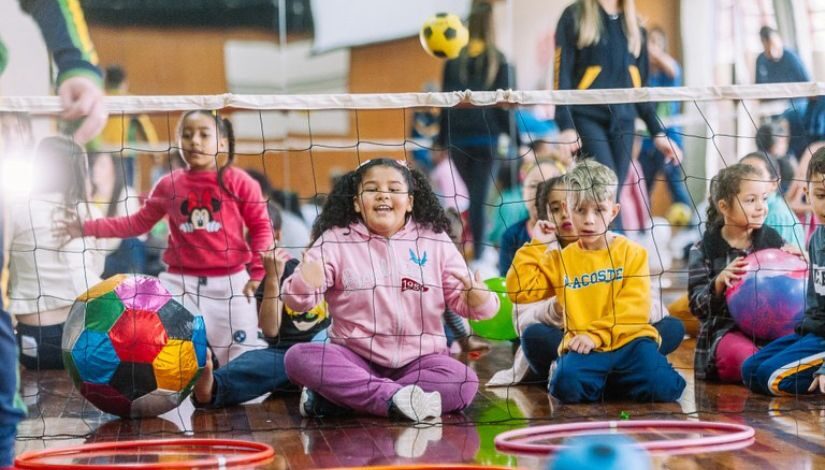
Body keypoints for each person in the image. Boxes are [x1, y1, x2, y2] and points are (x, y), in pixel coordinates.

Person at [281, 158, 499, 421]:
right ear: (356, 202)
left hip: (421, 361)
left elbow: (477, 307)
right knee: (298, 358)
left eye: (394, 189)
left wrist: (478, 298)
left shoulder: (434, 238)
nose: (383, 194)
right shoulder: (335, 238)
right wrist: (306, 282)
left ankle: (341, 399)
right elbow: (296, 302)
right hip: (354, 358)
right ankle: (394, 399)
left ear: (410, 202)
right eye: (372, 189)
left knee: (464, 382)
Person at [57, 110, 273, 367]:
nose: (195, 141)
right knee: (170, 354)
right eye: (187, 134)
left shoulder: (239, 182)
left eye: (204, 135)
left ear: (223, 142)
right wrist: (87, 227)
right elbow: (137, 222)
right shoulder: (169, 185)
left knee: (239, 359)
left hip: (231, 283)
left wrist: (258, 273)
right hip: (181, 283)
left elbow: (261, 227)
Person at [1, 2, 108, 468]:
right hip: (51, 335)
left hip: (52, 335)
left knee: (12, 409)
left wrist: (75, 63)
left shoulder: (36, 204)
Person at [506, 160, 685, 403]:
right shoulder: (561, 258)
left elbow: (633, 309)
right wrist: (536, 245)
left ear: (613, 211)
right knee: (564, 387)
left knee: (667, 388)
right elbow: (520, 291)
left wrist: (596, 335)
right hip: (586, 348)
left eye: (598, 210)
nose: (589, 220)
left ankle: (608, 382)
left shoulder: (632, 252)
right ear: (568, 212)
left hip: (630, 342)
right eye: (580, 210)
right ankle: (613, 382)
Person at [553, 0, 681, 230]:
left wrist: (658, 132)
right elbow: (561, 76)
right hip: (586, 117)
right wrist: (565, 125)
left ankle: (616, 256)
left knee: (612, 195)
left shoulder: (635, 27)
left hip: (624, 122)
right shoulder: (575, 16)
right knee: (604, 191)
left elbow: (641, 91)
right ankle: (612, 255)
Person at [688, 163, 798, 383]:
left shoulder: (773, 242)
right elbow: (696, 306)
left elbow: (794, 293)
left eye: (764, 198)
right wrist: (718, 283)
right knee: (743, 358)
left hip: (772, 331)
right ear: (724, 207)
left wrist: (799, 261)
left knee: (799, 348)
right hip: (727, 332)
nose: (761, 207)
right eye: (751, 200)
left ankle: (777, 370)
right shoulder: (705, 248)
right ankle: (770, 371)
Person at [6, 137, 106, 370]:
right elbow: (97, 269)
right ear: (81, 172)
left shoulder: (16, 210)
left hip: (36, 340)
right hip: (86, 336)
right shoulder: (90, 211)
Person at [192, 243, 329, 408]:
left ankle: (315, 392)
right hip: (284, 358)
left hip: (326, 355)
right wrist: (273, 278)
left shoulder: (337, 275)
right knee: (254, 364)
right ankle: (211, 389)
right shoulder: (285, 270)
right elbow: (270, 330)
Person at [742, 147, 825, 395]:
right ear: (807, 194)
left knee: (771, 378)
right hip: (815, 334)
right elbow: (816, 305)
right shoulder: (816, 238)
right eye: (821, 194)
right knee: (750, 370)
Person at [437, 0, 515, 263]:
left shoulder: (454, 62)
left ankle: (474, 252)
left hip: (458, 140)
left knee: (475, 197)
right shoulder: (498, 60)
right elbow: (505, 108)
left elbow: (444, 106)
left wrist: (440, 140)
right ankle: (479, 256)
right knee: (479, 199)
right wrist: (516, 140)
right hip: (486, 141)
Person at [637, 26, 692, 210]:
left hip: (671, 138)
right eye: (649, 42)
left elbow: (673, 70)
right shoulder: (642, 75)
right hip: (647, 141)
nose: (651, 47)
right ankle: (643, 226)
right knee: (643, 189)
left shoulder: (670, 71)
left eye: (656, 43)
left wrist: (648, 47)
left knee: (676, 186)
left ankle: (691, 227)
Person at [95, 64, 158, 186]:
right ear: (125, 82)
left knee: (104, 192)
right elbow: (146, 129)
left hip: (102, 154)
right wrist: (155, 153)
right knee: (127, 193)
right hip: (126, 155)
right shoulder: (132, 102)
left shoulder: (98, 101)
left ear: (105, 82)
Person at [498, 158, 563, 276]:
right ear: (523, 191)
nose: (540, 191)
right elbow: (505, 280)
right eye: (533, 186)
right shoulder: (511, 235)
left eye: (548, 185)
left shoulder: (569, 231)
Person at [755, 26, 811, 159]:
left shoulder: (791, 57)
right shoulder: (761, 61)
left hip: (796, 109)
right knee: (765, 132)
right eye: (768, 47)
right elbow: (758, 91)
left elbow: (808, 87)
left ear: (779, 41)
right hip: (772, 111)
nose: (773, 51)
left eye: (775, 45)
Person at [88, 152, 147, 277]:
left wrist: (100, 250)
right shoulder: (89, 196)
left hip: (123, 254)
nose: (95, 169)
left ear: (114, 169)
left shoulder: (126, 194)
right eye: (94, 164)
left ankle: (133, 285)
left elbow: (125, 233)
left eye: (102, 165)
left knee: (131, 241)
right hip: (99, 255)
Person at [739, 152, 805, 251]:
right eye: (743, 173)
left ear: (774, 183)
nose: (749, 180)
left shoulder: (777, 217)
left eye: (757, 174)